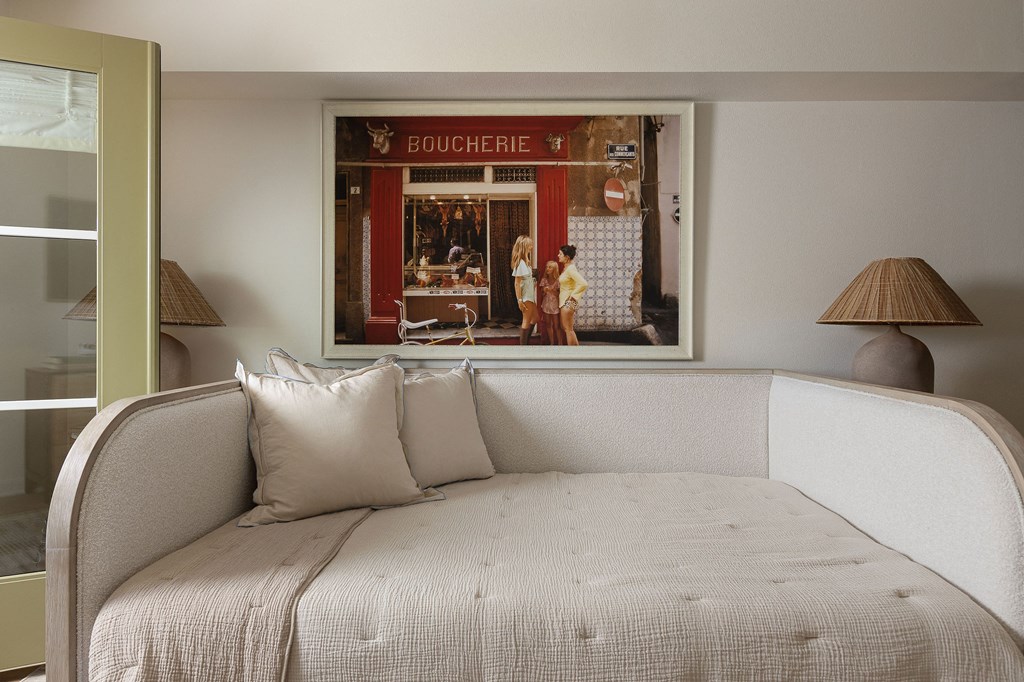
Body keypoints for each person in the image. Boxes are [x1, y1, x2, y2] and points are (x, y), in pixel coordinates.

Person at [557, 244, 588, 346]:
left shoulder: (570, 269)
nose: (558, 255)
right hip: (565, 302)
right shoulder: (567, 268)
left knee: (568, 330)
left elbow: (583, 283)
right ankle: (576, 353)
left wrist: (572, 297)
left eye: (560, 254)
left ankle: (571, 355)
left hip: (567, 303)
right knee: (569, 329)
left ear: (567, 257)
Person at [510, 235, 537, 345]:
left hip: (529, 295)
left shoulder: (525, 261)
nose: (531, 246)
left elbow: (526, 279)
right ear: (524, 246)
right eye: (529, 244)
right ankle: (523, 347)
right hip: (526, 296)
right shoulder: (521, 262)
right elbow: (517, 283)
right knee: (526, 321)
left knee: (535, 318)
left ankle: (525, 343)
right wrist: (519, 300)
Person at [538, 260, 562, 345]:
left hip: (555, 305)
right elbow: (542, 293)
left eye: (550, 267)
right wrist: (544, 290)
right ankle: (552, 343)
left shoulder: (558, 280)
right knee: (548, 324)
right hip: (546, 304)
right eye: (547, 267)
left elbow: (559, 294)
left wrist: (552, 291)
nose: (547, 269)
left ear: (554, 269)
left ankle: (560, 344)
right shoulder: (544, 280)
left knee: (557, 326)